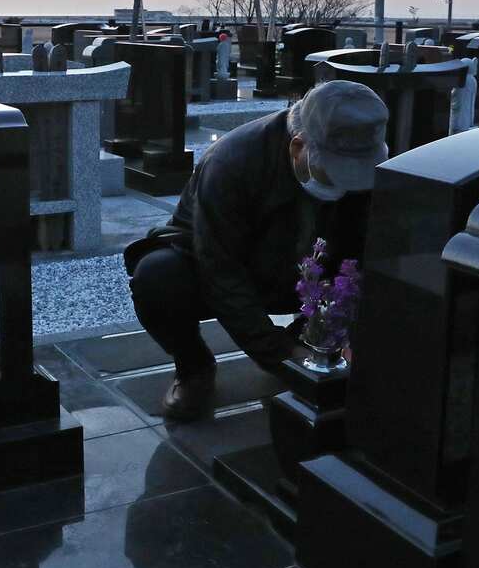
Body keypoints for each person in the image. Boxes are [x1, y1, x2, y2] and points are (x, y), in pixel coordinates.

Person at [125, 80, 389, 420]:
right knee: (157, 277)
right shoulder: (231, 161)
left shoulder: (364, 155)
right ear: (298, 147)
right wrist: (279, 354)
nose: (345, 186)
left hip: (307, 272)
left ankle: (310, 342)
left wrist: (342, 333)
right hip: (228, 267)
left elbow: (368, 253)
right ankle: (194, 367)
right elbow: (219, 270)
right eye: (334, 174)